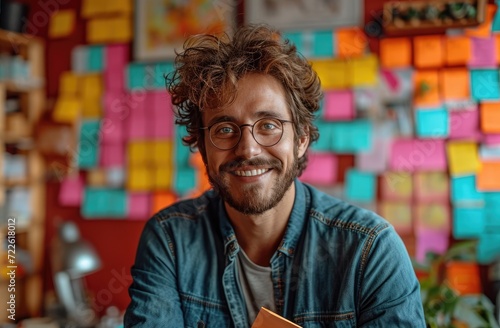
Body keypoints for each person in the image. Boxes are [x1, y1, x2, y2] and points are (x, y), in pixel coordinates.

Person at [124, 24, 425, 327]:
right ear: (202, 146)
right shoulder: (170, 241)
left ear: (302, 138)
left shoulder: (369, 250)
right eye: (224, 129)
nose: (248, 150)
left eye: (268, 125)